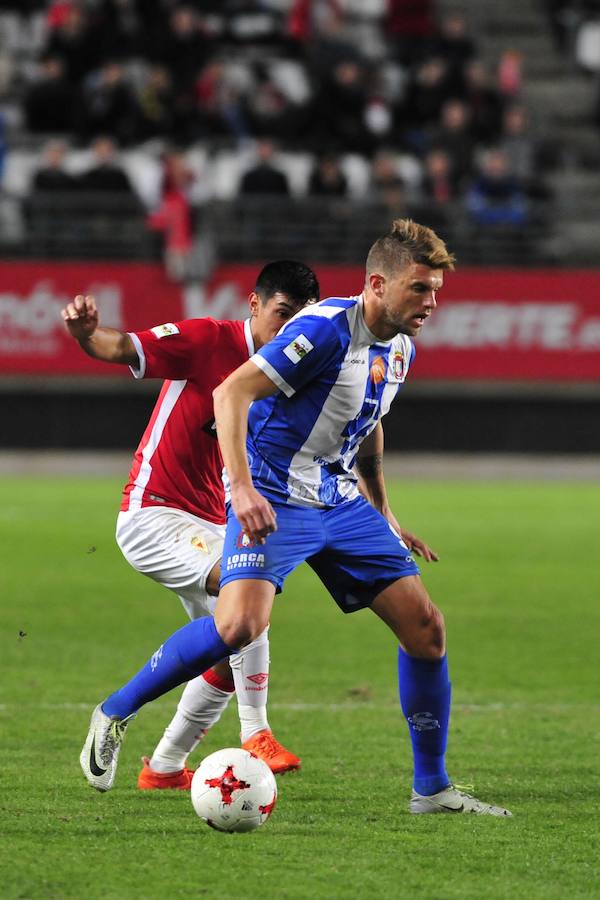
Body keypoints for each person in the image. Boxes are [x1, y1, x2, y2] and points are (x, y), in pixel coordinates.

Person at [79, 220, 512, 816]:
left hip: (339, 501)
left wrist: (383, 510)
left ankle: (432, 791)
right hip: (276, 496)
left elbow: (366, 423)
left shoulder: (402, 347)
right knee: (238, 628)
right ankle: (116, 710)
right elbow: (231, 392)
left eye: (436, 290)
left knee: (426, 629)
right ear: (378, 284)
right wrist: (242, 489)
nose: (431, 302)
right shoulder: (321, 330)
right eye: (420, 289)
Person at [67, 261, 320, 792]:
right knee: (246, 591)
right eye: (281, 314)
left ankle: (163, 767)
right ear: (254, 305)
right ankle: (253, 732)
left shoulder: (291, 373)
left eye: (302, 318)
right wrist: (88, 334)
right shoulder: (207, 339)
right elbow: (120, 348)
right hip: (154, 511)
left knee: (230, 646)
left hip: (209, 519)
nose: (289, 328)